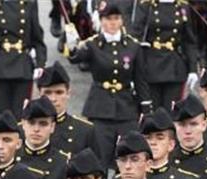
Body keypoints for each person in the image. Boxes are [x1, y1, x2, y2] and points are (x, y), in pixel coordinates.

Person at [64, 1, 155, 168]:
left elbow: (140, 80)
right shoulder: (93, 44)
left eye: (116, 18)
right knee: (100, 158)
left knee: (129, 156)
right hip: (100, 108)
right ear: (101, 21)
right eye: (108, 19)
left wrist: (146, 109)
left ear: (121, 21)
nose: (112, 23)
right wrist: (71, 45)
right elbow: (76, 57)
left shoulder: (133, 46)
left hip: (126, 108)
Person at [0, 0, 47, 121]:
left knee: (21, 115)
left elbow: (37, 36)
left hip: (22, 66)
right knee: (2, 116)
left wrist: (40, 63)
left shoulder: (29, 4)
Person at [129, 0, 201, 112]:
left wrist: (192, 69)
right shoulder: (146, 5)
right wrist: (132, 68)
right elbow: (135, 37)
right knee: (152, 114)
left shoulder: (183, 7)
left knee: (172, 113)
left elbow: (189, 41)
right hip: (150, 64)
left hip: (174, 66)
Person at [15, 96, 70, 179]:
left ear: (52, 127)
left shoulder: (64, 163)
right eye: (31, 123)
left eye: (43, 124)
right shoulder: (11, 157)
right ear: (23, 124)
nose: (36, 129)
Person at [37, 61, 97, 157]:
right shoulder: (24, 130)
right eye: (47, 93)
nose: (53, 99)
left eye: (59, 92)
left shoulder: (85, 131)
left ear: (68, 93)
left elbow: (96, 169)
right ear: (39, 94)